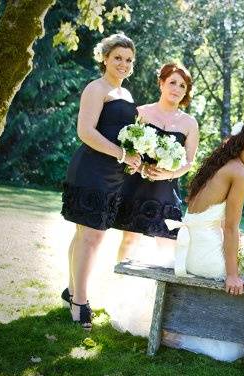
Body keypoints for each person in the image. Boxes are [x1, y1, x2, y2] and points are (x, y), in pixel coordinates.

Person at [109, 119, 244, 362]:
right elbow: (230, 227)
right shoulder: (240, 173)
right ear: (242, 142)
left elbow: (216, 222)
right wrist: (231, 274)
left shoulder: (223, 164)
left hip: (191, 248)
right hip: (203, 255)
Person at [60, 33, 141, 330]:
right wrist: (121, 153)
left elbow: (124, 135)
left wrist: (132, 158)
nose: (123, 64)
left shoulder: (127, 95)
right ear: (105, 58)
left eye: (129, 60)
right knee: (91, 237)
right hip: (92, 168)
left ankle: (71, 291)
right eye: (118, 57)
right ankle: (80, 301)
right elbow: (86, 132)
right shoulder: (97, 88)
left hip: (114, 174)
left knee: (86, 235)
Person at [112, 63, 199, 263]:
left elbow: (189, 162)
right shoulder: (141, 112)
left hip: (166, 189)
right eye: (172, 83)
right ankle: (117, 282)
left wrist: (168, 174)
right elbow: (127, 147)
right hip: (136, 184)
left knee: (168, 243)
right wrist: (141, 167)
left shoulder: (189, 123)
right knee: (129, 239)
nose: (177, 89)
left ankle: (163, 292)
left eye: (182, 86)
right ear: (161, 83)